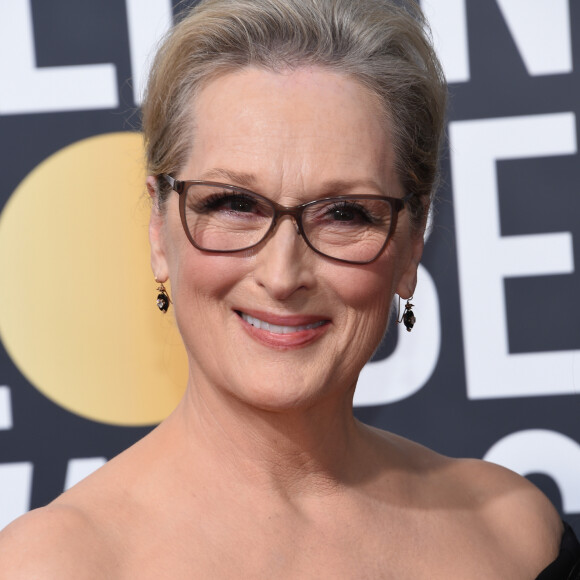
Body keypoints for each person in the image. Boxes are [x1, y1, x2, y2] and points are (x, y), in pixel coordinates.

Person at [1, 0, 579, 577]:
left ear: (411, 239)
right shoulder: (56, 563)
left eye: (346, 213)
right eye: (233, 204)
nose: (281, 276)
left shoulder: (512, 536)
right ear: (159, 228)